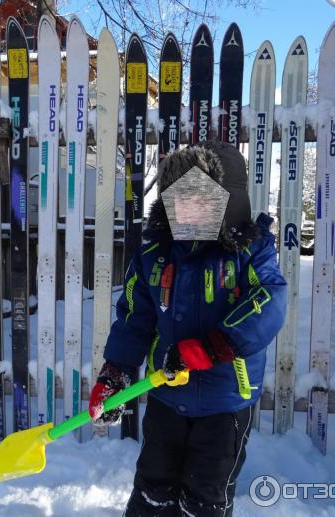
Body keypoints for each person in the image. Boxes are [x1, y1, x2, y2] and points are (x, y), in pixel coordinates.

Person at [89, 141, 287, 516]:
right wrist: (115, 372)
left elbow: (271, 302)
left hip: (225, 402)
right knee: (152, 486)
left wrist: (216, 345)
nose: (186, 208)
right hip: (165, 394)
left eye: (199, 197)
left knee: (206, 497)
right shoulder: (155, 256)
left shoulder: (250, 253)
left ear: (226, 200)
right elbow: (135, 318)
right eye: (178, 198)